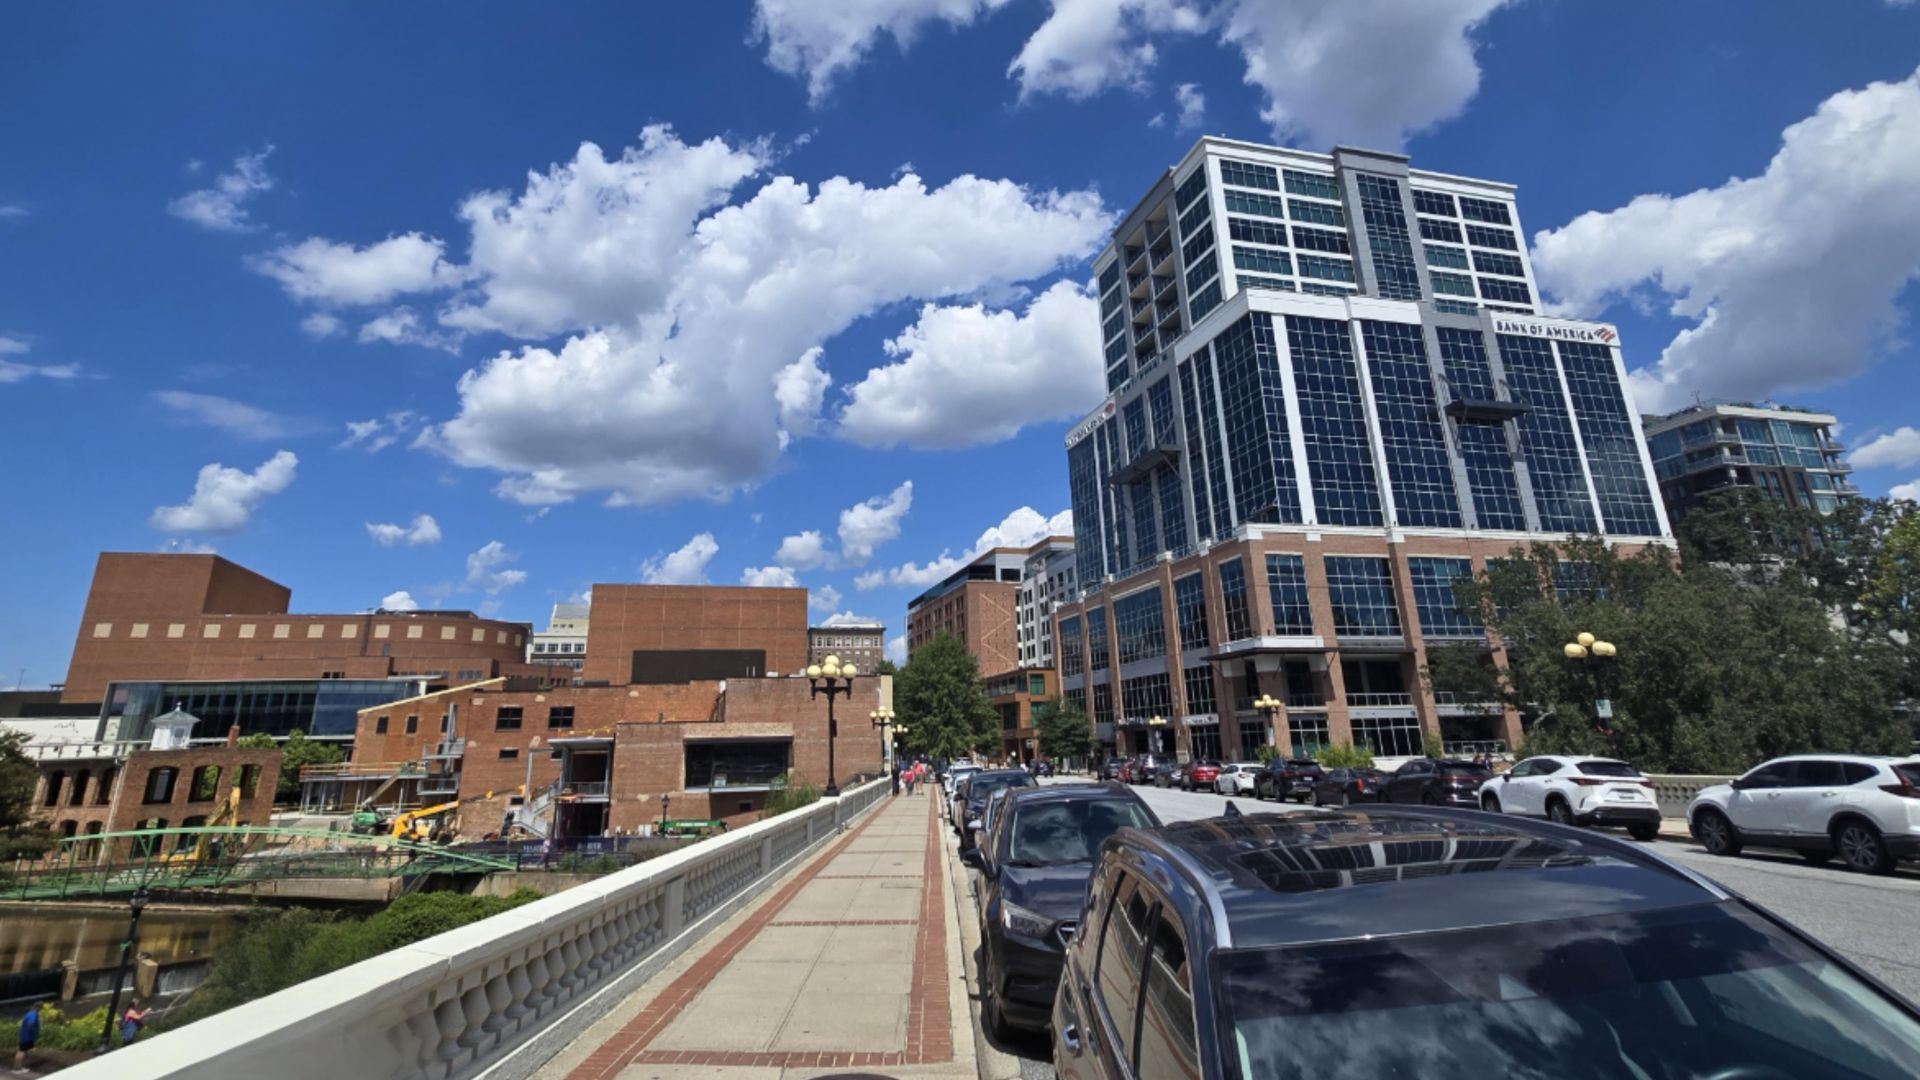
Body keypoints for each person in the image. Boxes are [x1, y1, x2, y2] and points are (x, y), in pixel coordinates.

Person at [14, 1000, 41, 1073]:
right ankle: (18, 1069)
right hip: (27, 1037)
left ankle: (17, 1067)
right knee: (21, 1052)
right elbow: (31, 1024)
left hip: (24, 1036)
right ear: (38, 1008)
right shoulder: (33, 1014)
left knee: (21, 1051)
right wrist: (34, 1032)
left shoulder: (28, 1013)